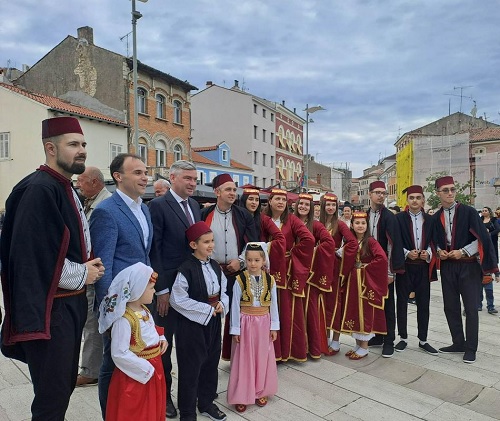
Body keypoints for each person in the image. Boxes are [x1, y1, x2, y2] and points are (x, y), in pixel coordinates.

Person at [0, 116, 104, 420]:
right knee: (51, 397)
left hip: (68, 307)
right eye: (73, 144)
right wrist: (86, 273)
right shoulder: (39, 189)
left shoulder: (64, 186)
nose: (82, 150)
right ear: (50, 148)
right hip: (52, 311)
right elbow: (34, 259)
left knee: (60, 390)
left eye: (83, 144)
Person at [90, 153, 153, 418]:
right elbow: (103, 266)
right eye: (137, 172)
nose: (145, 177)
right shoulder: (106, 211)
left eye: (145, 172)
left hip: (139, 302)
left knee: (135, 358)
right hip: (119, 306)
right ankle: (111, 413)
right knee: (111, 362)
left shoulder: (144, 207)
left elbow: (143, 254)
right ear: (118, 176)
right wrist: (112, 313)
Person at [148, 160, 201, 418]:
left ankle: (190, 395)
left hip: (191, 288)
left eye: (195, 179)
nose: (193, 183)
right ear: (173, 177)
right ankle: (165, 396)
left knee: (190, 346)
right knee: (164, 347)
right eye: (188, 178)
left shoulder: (195, 206)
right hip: (167, 290)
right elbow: (154, 249)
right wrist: (161, 290)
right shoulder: (157, 206)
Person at [433, 176, 498, 363]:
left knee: (470, 308)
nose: (450, 193)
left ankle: (471, 348)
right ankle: (458, 343)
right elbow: (434, 240)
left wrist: (462, 251)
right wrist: (439, 251)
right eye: (445, 190)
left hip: (468, 267)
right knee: (450, 307)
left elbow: (481, 238)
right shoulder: (437, 216)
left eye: (452, 189)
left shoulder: (469, 212)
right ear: (438, 193)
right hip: (448, 267)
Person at [170, 221, 229, 421]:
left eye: (212, 241)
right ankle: (187, 412)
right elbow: (177, 299)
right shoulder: (186, 269)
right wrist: (205, 309)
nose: (211, 245)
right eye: (206, 242)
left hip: (213, 322)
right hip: (192, 326)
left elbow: (224, 290)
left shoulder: (215, 266)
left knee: (211, 363)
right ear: (193, 245)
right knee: (190, 367)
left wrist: (221, 303)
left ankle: (205, 403)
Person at [98, 263, 167, 421]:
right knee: (136, 411)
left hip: (153, 369)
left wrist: (161, 338)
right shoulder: (124, 320)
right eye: (151, 288)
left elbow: (151, 331)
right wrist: (146, 369)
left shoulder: (145, 310)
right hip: (136, 375)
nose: (154, 291)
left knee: (152, 407)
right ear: (138, 289)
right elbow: (119, 353)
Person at [201, 173, 258, 360]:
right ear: (217, 192)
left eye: (234, 189)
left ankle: (239, 357)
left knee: (238, 315)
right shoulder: (204, 214)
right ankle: (210, 354)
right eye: (228, 189)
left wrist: (240, 261)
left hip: (237, 272)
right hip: (212, 272)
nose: (233, 193)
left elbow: (252, 243)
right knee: (212, 314)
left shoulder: (243, 215)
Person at [263, 188, 315, 361]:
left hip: (284, 271)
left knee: (284, 309)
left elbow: (309, 239)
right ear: (270, 201)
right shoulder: (262, 219)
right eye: (277, 199)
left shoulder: (291, 220)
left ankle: (285, 352)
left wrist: (292, 254)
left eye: (283, 200)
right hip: (263, 268)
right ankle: (266, 351)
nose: (280, 202)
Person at [227, 242, 279, 413]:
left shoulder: (270, 280)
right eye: (249, 260)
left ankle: (260, 390)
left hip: (263, 322)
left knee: (262, 357)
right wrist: (236, 329)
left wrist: (274, 327)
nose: (253, 263)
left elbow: (274, 305)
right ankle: (242, 394)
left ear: (263, 260)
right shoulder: (239, 280)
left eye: (256, 260)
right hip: (246, 322)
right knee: (244, 359)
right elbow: (234, 305)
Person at [75, 166, 112, 387]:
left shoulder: (103, 206)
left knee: (92, 323)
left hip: (97, 275)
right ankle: (93, 367)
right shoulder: (91, 202)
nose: (78, 185)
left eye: (81, 181)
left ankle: (91, 370)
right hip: (90, 272)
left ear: (95, 183)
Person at [394, 185, 438, 354]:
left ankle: (423, 339)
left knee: (424, 303)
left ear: (423, 200)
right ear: (407, 200)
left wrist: (428, 254)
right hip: (405, 267)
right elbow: (395, 242)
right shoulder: (398, 219)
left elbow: (436, 241)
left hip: (423, 267)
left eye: (418, 197)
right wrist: (406, 253)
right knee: (402, 303)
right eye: (411, 198)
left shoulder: (431, 220)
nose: (415, 200)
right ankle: (403, 338)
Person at [341, 211, 389, 359]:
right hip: (352, 282)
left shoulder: (371, 241)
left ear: (367, 225)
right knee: (354, 311)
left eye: (363, 223)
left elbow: (382, 258)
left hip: (365, 282)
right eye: (357, 223)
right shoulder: (350, 240)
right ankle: (357, 344)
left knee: (364, 312)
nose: (360, 226)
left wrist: (365, 267)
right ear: (352, 225)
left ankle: (365, 347)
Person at [366, 181, 405, 358]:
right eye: (377, 192)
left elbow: (393, 245)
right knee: (371, 302)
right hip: (368, 268)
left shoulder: (390, 217)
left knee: (388, 305)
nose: (381, 195)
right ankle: (378, 336)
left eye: (383, 193)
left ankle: (389, 340)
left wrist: (391, 272)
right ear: (370, 194)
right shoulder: (364, 215)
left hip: (384, 270)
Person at [294, 193, 336, 358]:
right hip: (293, 272)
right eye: (301, 203)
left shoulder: (316, 225)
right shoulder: (290, 221)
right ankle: (296, 347)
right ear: (296, 205)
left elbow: (329, 243)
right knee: (294, 310)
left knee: (310, 309)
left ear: (311, 208)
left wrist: (313, 251)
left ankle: (312, 347)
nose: (303, 207)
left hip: (309, 275)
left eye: (307, 204)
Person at [319, 193, 358, 355]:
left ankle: (335, 340)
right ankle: (323, 337)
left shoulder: (340, 224)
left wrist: (340, 252)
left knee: (335, 302)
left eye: (333, 205)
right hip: (319, 266)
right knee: (321, 303)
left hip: (334, 267)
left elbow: (353, 242)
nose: (330, 207)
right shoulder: (317, 223)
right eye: (327, 204)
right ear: (323, 206)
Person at [238, 187, 286, 288]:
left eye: (256, 200)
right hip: (235, 264)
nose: (254, 203)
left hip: (255, 265)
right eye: (250, 199)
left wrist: (263, 248)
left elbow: (280, 238)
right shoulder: (235, 217)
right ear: (244, 200)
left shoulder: (263, 219)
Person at [480, 206, 500, 313]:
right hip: (478, 268)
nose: (484, 212)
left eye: (485, 210)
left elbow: (492, 257)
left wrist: (497, 273)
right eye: (482, 210)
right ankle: (478, 304)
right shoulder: (479, 221)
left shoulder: (493, 220)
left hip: (488, 264)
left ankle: (490, 306)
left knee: (488, 287)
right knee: (478, 287)